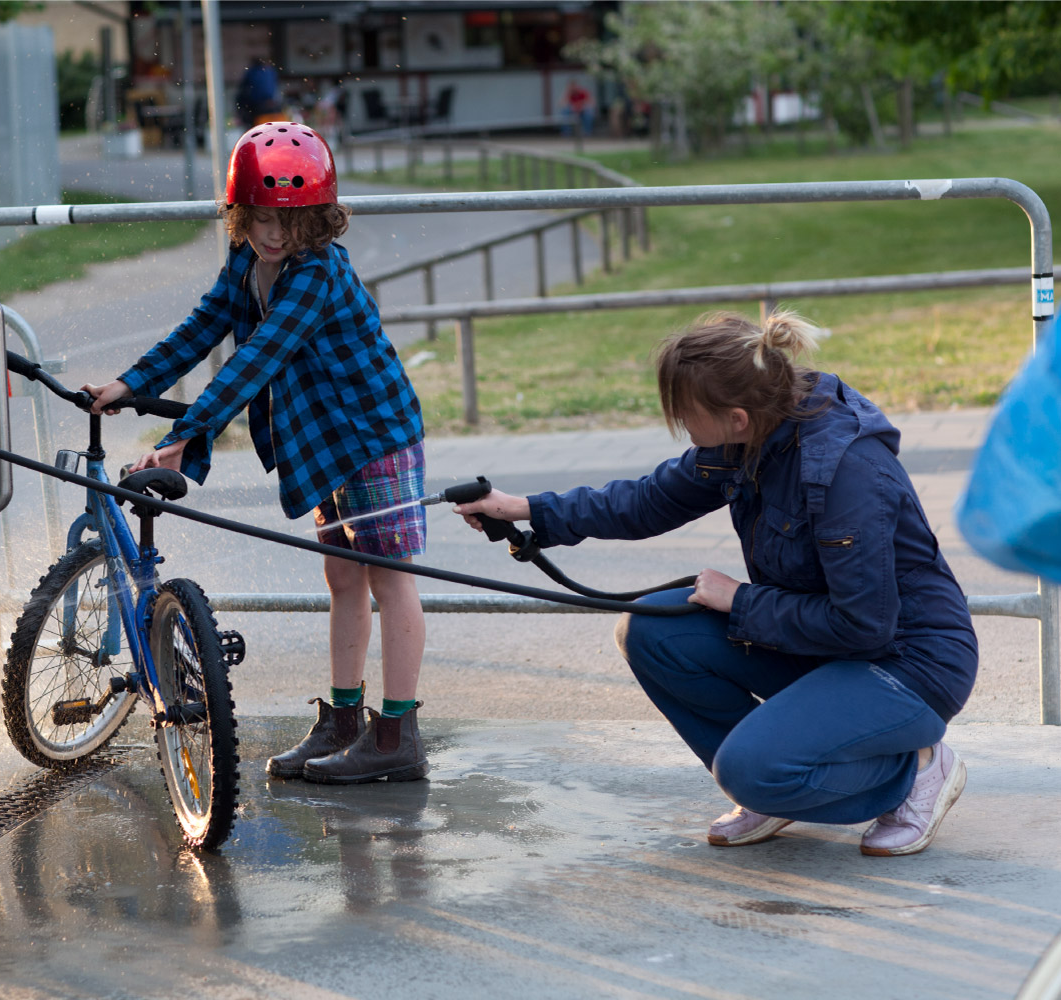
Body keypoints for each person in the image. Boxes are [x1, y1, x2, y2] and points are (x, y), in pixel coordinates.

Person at [454, 310, 979, 856]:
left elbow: (864, 625)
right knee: (651, 630)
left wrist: (741, 601)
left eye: (684, 416)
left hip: (906, 664)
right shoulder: (752, 436)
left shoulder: (844, 472)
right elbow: (648, 500)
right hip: (822, 645)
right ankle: (777, 772)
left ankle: (914, 769)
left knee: (752, 771)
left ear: (736, 418)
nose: (681, 428)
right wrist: (523, 508)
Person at [82, 123, 430, 785]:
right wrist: (129, 385)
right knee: (343, 579)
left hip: (374, 435)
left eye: (292, 221)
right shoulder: (247, 260)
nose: (275, 235)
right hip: (326, 440)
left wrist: (187, 436)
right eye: (262, 219)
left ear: (320, 218)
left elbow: (257, 360)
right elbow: (205, 326)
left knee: (389, 578)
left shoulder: (320, 271)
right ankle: (343, 721)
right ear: (240, 214)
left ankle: (397, 734)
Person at [235, 58, 282, 127]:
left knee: (256, 127)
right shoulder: (271, 71)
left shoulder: (252, 72)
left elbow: (243, 89)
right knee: (272, 126)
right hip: (272, 104)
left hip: (257, 105)